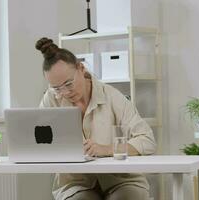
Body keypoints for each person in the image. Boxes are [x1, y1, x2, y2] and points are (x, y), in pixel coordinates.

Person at [35, 37, 157, 200]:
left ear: (81, 68)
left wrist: (107, 149)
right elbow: (37, 142)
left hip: (122, 181)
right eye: (57, 88)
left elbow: (147, 140)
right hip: (75, 184)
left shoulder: (112, 96)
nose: (65, 92)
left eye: (69, 84)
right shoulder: (51, 100)